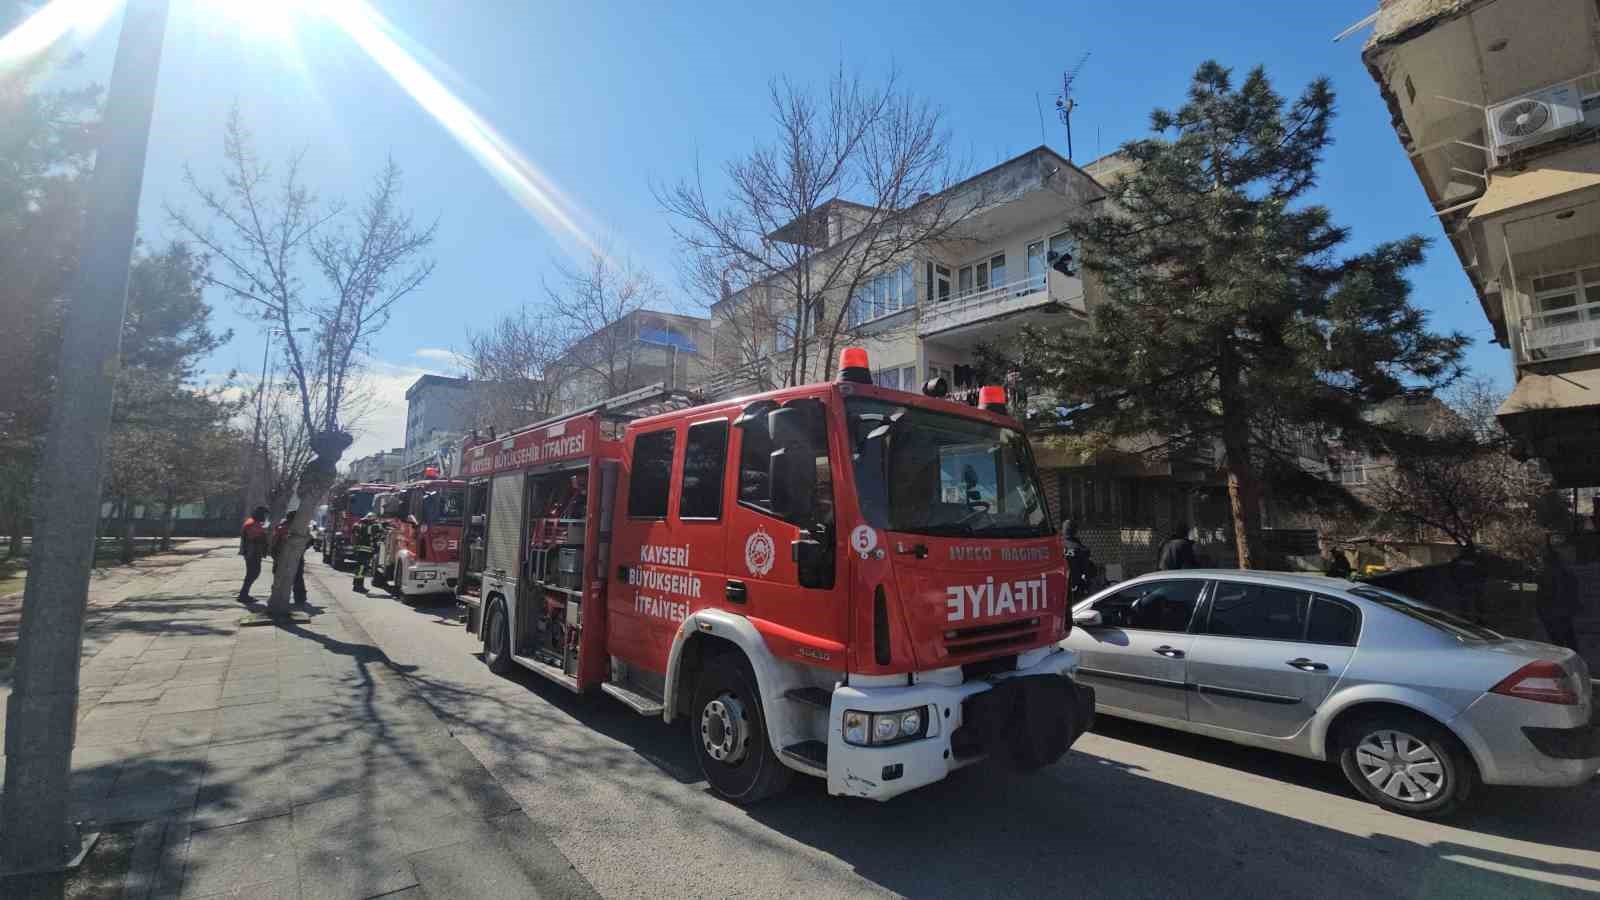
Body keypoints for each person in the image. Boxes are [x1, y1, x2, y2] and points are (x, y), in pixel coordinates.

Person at [1537, 543, 1581, 653]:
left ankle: (1566, 658)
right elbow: (1574, 589)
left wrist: (1542, 610)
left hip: (1553, 611)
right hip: (1564, 610)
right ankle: (1574, 657)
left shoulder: (1547, 574)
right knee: (1568, 637)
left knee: (1558, 639)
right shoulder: (1567, 572)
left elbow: (1545, 594)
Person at [270, 517, 310, 607]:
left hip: (281, 557)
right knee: (298, 578)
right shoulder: (300, 529)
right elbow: (309, 541)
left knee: (279, 577)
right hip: (294, 556)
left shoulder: (281, 528)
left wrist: (275, 556)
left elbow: (274, 543)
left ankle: (277, 596)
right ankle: (300, 598)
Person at [238, 505, 270, 604]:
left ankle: (244, 594)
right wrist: (265, 534)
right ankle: (243, 595)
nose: (265, 517)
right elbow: (256, 538)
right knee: (253, 573)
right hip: (252, 552)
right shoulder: (252, 524)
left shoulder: (253, 522)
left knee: (252, 573)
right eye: (265, 515)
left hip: (253, 551)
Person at [1062, 519, 1094, 603]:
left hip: (1059, 591)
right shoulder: (1081, 549)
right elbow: (1088, 573)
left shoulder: (1056, 547)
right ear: (1076, 531)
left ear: (1063, 530)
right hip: (1076, 592)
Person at [351, 512, 383, 592]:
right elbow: (376, 530)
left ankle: (356, 585)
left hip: (360, 551)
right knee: (361, 569)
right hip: (364, 552)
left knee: (359, 568)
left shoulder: (361, 525)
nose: (374, 522)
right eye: (374, 520)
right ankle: (358, 587)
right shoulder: (369, 527)